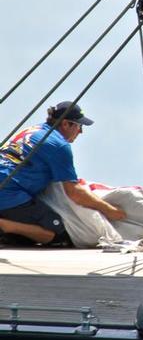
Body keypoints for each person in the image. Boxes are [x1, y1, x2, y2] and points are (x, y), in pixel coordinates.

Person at [0, 102, 126, 245]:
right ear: (65, 124)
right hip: (9, 193)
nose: (80, 132)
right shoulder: (58, 145)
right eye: (79, 126)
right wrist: (111, 210)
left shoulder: (32, 130)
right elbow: (74, 192)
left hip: (6, 185)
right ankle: (4, 224)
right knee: (61, 233)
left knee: (23, 237)